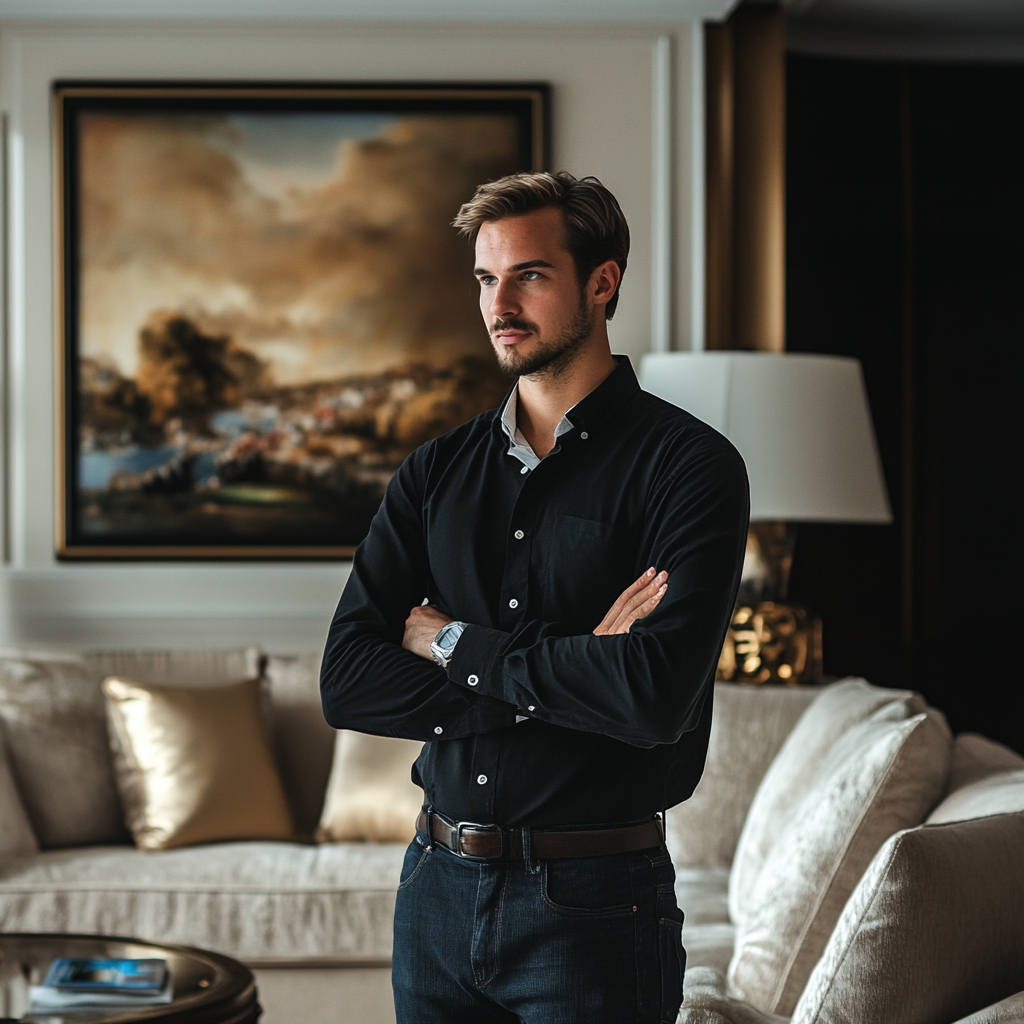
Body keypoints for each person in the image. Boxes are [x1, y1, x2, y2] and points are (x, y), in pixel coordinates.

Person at [320, 171, 749, 1024]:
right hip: (435, 890)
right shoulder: (435, 472)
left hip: (595, 904)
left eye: (530, 274)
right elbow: (347, 680)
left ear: (602, 281)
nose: (499, 303)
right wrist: (575, 666)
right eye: (486, 277)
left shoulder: (690, 468)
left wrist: (452, 644)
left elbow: (651, 697)